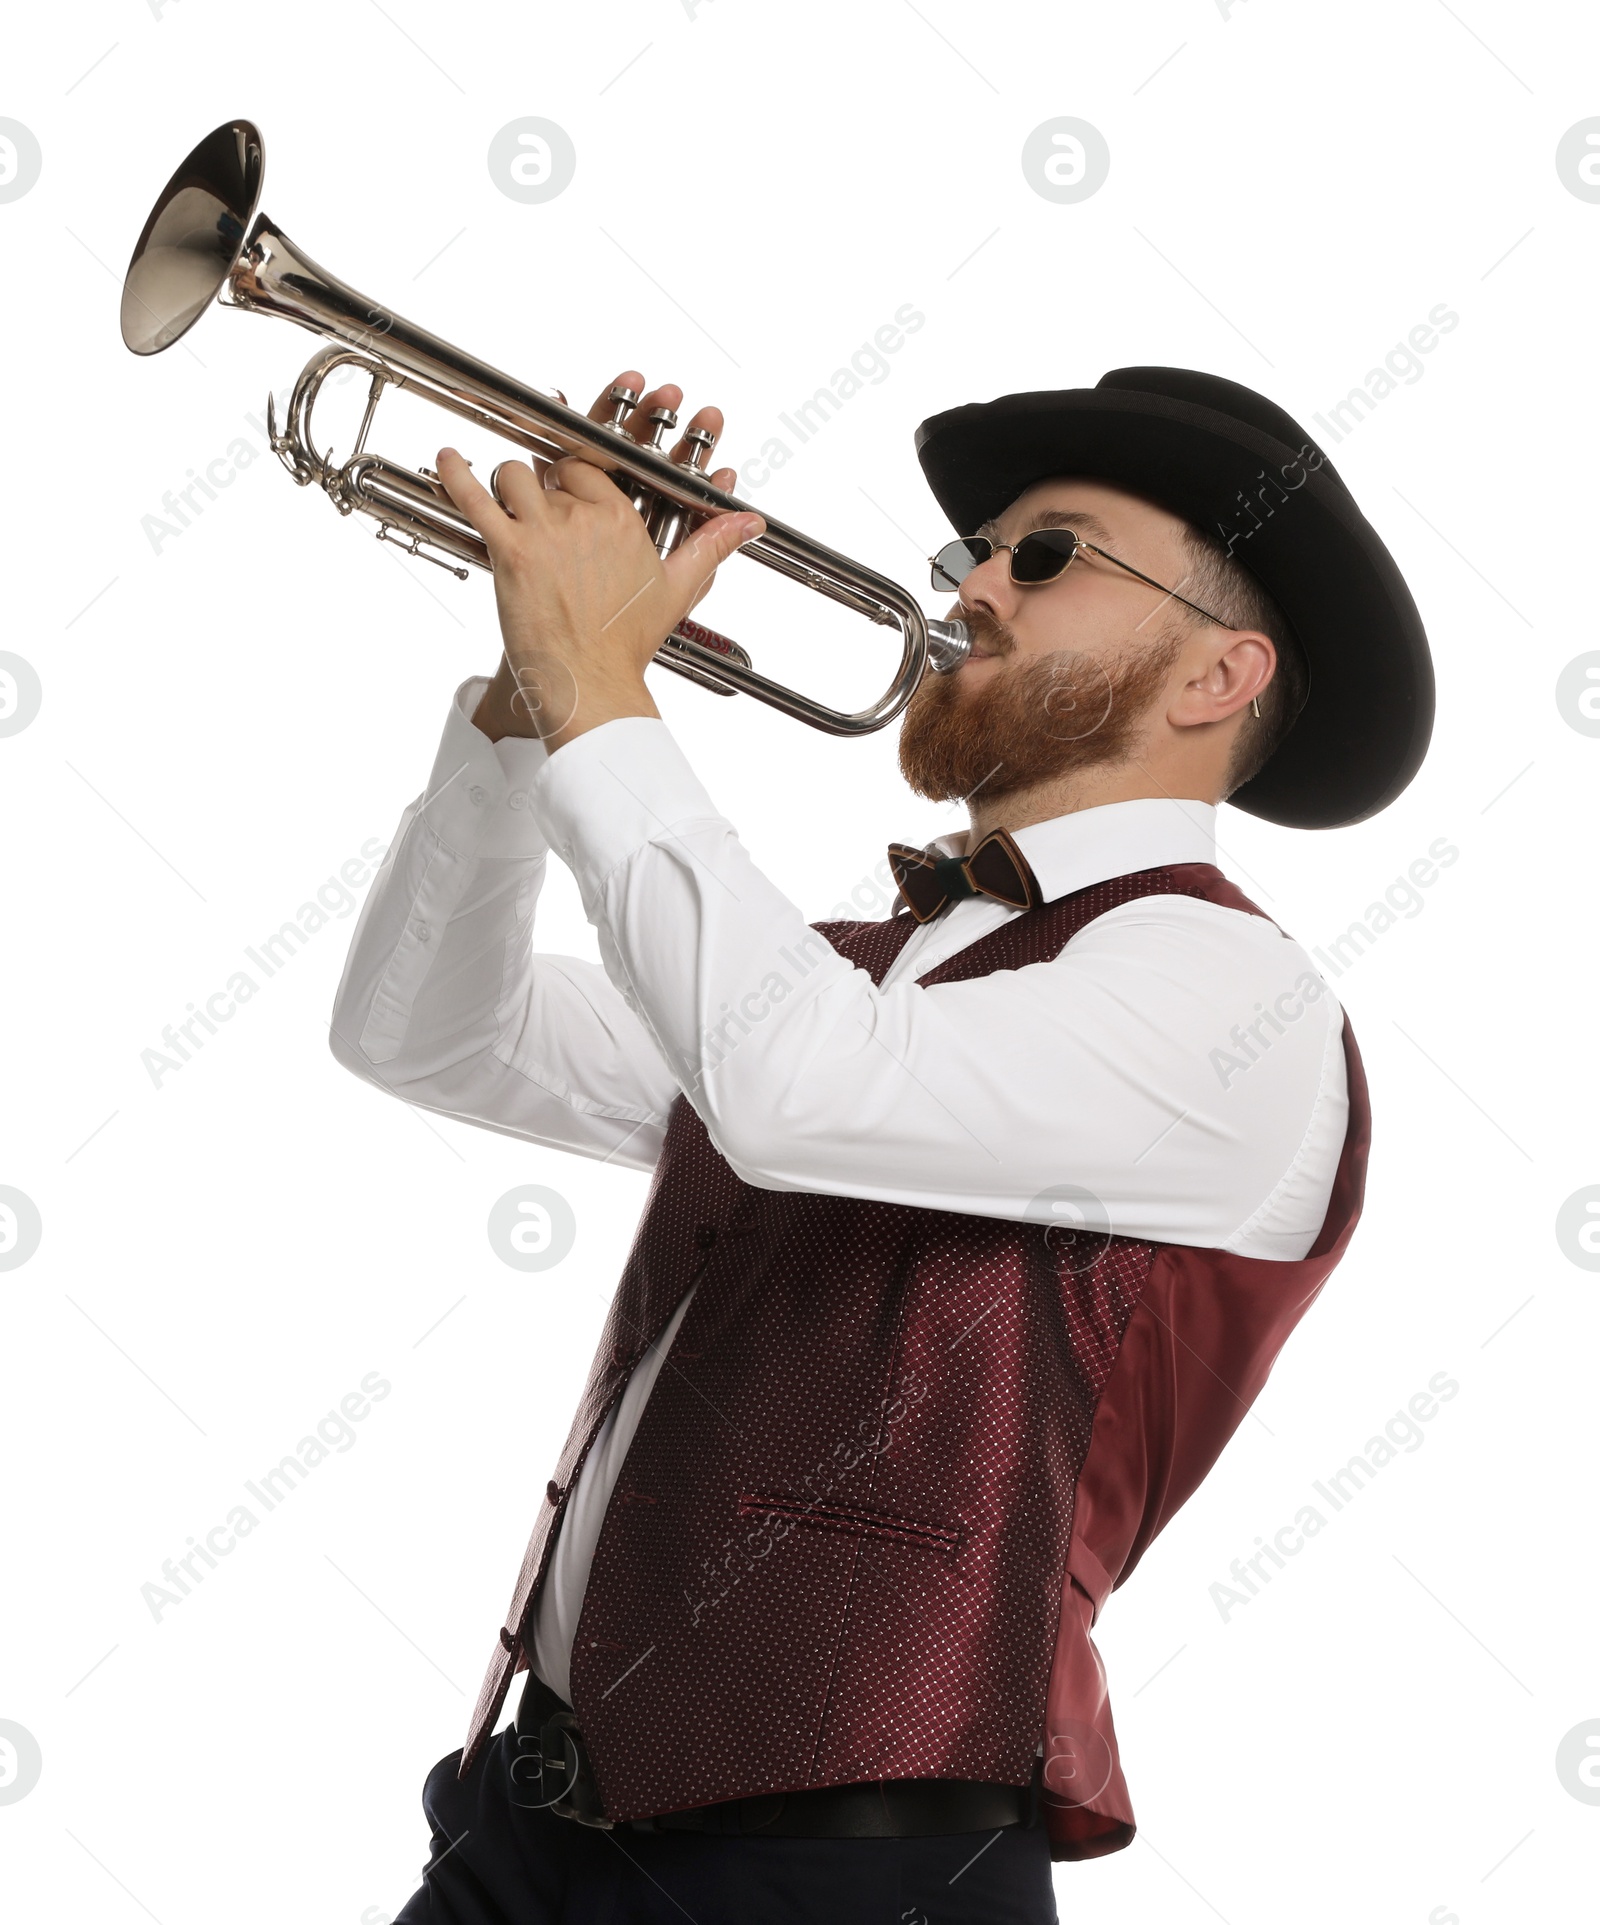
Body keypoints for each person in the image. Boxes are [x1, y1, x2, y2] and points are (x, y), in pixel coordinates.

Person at [330, 364, 1433, 1923]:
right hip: (524, 1822)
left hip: (850, 1878)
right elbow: (427, 1031)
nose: (973, 584)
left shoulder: (1233, 996)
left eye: (1045, 556)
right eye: (972, 553)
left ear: (1216, 676)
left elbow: (798, 1090)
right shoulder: (843, 977)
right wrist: (522, 719)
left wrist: (602, 692)